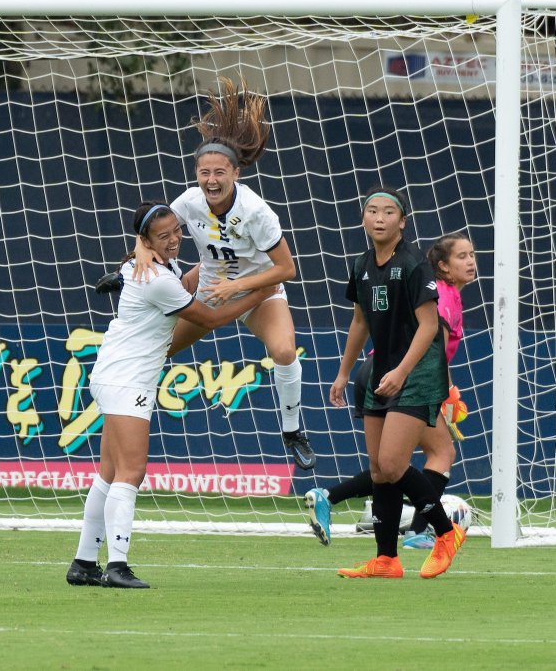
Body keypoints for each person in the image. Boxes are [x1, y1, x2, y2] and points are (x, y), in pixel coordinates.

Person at [97, 77, 316, 471]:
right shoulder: (190, 201)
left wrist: (239, 286)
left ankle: (292, 429)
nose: (211, 180)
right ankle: (124, 415)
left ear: (235, 173)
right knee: (156, 350)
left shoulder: (256, 212)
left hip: (260, 289)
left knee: (284, 350)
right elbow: (153, 226)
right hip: (211, 286)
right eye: (204, 172)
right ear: (196, 174)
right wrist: (139, 252)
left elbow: (287, 269)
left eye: (219, 172)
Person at [67, 202, 274, 589]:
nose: (175, 238)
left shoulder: (155, 265)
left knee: (109, 474)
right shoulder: (155, 278)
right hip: (127, 378)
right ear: (146, 241)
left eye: (177, 230)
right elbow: (209, 318)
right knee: (131, 473)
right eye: (163, 236)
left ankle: (82, 563)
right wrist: (260, 292)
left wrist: (223, 265)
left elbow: (191, 277)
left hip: (117, 373)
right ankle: (117, 566)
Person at [324, 186, 465, 579]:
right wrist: (342, 372)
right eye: (373, 211)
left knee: (392, 463)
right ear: (363, 218)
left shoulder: (414, 264)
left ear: (402, 222)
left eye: (389, 212)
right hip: (382, 371)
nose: (380, 217)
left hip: (416, 373)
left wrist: (402, 372)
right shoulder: (361, 264)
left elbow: (429, 325)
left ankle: (446, 532)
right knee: (380, 469)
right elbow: (359, 322)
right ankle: (386, 559)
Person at [306, 233, 477, 548]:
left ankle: (330, 498)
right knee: (437, 453)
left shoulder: (442, 292)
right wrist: (446, 390)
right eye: (461, 256)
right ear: (442, 266)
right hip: (403, 377)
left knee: (387, 465)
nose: (470, 261)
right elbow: (433, 344)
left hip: (375, 371)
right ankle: (422, 532)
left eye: (471, 254)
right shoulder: (445, 295)